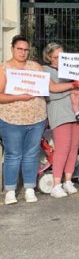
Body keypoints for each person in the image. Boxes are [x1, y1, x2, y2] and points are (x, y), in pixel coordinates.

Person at [42, 42, 79, 198]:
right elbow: (52, 91)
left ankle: (68, 180)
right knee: (62, 148)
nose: (60, 59)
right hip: (60, 112)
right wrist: (73, 86)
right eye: (56, 57)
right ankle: (56, 184)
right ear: (49, 57)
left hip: (77, 111)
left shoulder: (73, 69)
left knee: (73, 148)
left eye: (62, 56)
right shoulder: (46, 70)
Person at [0, 35, 49, 204]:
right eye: (19, 49)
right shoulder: (4, 68)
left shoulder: (35, 66)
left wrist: (74, 84)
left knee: (31, 154)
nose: (23, 52)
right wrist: (20, 97)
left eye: (26, 49)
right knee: (13, 155)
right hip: (11, 120)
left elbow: (49, 87)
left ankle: (29, 188)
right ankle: (10, 190)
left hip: (37, 119)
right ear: (12, 49)